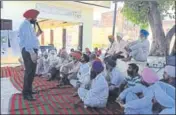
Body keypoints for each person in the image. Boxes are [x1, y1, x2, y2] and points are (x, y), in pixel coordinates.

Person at [19, 9, 42, 101]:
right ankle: (26, 94)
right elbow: (27, 42)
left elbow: (30, 39)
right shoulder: (25, 25)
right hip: (29, 51)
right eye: (35, 17)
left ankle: (29, 89)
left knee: (32, 72)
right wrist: (32, 53)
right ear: (31, 17)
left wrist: (37, 35)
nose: (36, 19)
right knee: (29, 72)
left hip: (31, 50)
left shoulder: (28, 25)